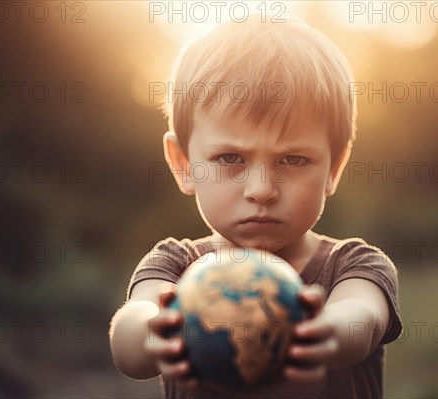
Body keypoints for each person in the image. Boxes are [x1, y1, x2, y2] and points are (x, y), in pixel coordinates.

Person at [109, 14, 403, 399]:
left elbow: (361, 321)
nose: (262, 190)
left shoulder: (355, 265)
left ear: (334, 168)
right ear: (183, 164)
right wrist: (152, 334)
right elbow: (131, 336)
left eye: (293, 160)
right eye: (230, 158)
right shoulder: (174, 266)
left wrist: (326, 330)